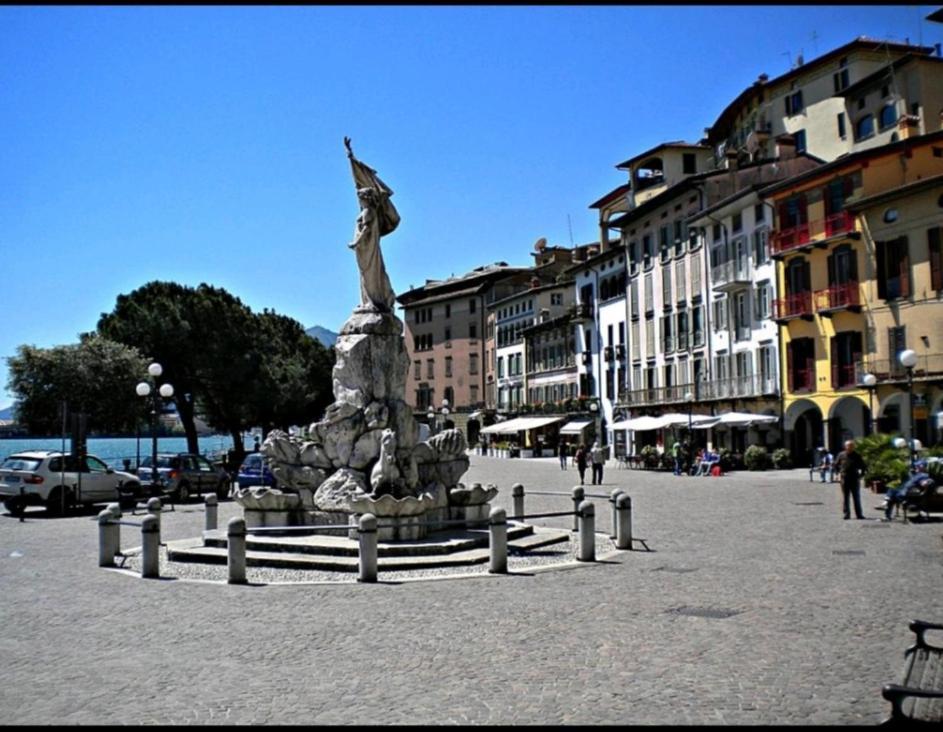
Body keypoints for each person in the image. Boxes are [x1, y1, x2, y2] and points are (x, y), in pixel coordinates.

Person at [834, 439, 866, 519]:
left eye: (852, 446)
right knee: (845, 497)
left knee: (856, 497)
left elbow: (863, 466)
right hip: (844, 478)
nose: (850, 447)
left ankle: (859, 514)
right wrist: (837, 474)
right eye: (848, 446)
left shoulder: (857, 455)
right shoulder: (841, 455)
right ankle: (846, 514)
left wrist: (861, 475)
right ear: (845, 447)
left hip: (854, 478)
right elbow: (836, 465)